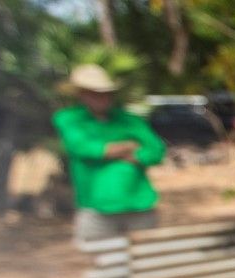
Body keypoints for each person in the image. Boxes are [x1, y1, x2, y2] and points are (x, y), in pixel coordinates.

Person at [52, 64, 165, 245]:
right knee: (107, 264)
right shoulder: (69, 119)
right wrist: (129, 146)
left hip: (139, 205)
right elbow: (84, 148)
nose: (103, 97)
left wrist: (128, 154)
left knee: (145, 262)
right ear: (81, 94)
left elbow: (156, 151)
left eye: (105, 92)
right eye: (95, 93)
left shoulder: (130, 120)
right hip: (96, 208)